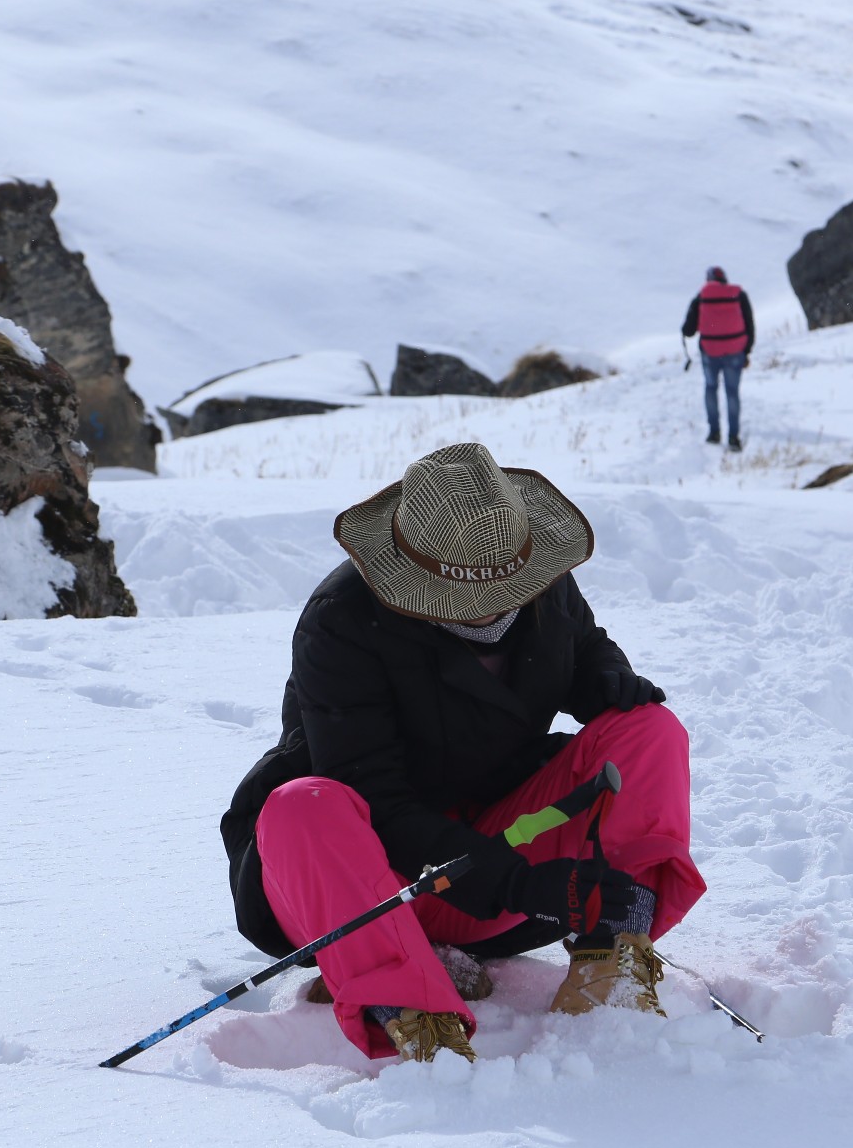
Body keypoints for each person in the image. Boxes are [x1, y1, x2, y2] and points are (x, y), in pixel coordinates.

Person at [221, 443, 706, 1063]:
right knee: (300, 805)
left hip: (497, 855)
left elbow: (584, 647)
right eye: (477, 595)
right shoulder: (340, 623)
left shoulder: (541, 575)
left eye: (512, 584)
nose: (502, 603)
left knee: (650, 730)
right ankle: (417, 1018)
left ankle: (612, 957)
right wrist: (520, 884)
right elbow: (381, 803)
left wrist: (607, 678)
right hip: (368, 888)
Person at [681, 266, 754, 452]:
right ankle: (733, 437)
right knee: (732, 392)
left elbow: (689, 330)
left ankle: (714, 433)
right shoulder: (738, 294)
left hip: (710, 351)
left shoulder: (702, 296)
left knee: (711, 388)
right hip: (735, 351)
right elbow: (749, 324)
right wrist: (746, 351)